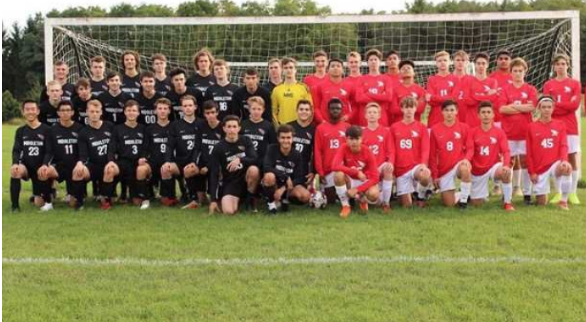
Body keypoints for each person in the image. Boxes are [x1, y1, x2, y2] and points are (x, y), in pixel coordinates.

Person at [542, 53, 582, 205]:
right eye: (558, 64)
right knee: (555, 158)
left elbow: (574, 105)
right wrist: (563, 106)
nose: (560, 66)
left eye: (563, 63)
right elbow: (547, 105)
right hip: (552, 126)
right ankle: (559, 192)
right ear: (554, 66)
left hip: (570, 126)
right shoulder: (548, 85)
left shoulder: (574, 84)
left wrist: (556, 106)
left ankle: (572, 193)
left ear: (568, 65)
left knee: (571, 157)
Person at [498, 57, 538, 204]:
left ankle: (527, 194)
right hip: (508, 133)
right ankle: (506, 195)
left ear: (525, 72)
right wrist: (522, 107)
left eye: (520, 70)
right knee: (508, 163)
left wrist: (513, 106)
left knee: (526, 161)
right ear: (511, 72)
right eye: (515, 70)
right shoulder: (505, 89)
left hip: (525, 132)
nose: (517, 73)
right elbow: (502, 109)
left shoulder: (530, 89)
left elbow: (532, 107)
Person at [102, 100, 150, 210]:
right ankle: (107, 200)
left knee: (136, 202)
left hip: (137, 164)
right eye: (129, 110)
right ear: (124, 112)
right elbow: (111, 148)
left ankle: (144, 198)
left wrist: (143, 157)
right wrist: (110, 161)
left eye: (134, 110)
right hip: (123, 163)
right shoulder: (117, 129)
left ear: (138, 113)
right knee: (109, 169)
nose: (131, 113)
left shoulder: (143, 129)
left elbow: (146, 148)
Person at [526, 96, 573, 210]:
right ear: (539, 109)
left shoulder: (560, 125)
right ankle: (541, 194)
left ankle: (563, 201)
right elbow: (529, 152)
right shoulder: (531, 127)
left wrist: (563, 161)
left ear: (553, 109)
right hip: (539, 168)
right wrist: (532, 172)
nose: (546, 110)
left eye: (549, 107)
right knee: (541, 203)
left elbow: (563, 145)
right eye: (544, 107)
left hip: (555, 164)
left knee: (567, 168)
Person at [208, 115, 260, 215]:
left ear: (239, 128)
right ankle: (238, 201)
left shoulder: (246, 140)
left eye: (234, 126)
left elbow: (254, 159)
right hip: (231, 183)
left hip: (246, 180)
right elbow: (214, 174)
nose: (232, 130)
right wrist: (213, 200)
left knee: (254, 170)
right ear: (224, 128)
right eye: (229, 127)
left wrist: (240, 159)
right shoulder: (218, 147)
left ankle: (249, 201)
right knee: (228, 212)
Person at [161, 95, 205, 209]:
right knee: (166, 169)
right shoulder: (175, 125)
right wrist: (167, 161)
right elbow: (169, 146)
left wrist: (195, 161)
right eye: (185, 106)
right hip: (181, 161)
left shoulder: (202, 124)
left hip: (198, 162)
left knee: (202, 199)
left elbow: (200, 147)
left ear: (195, 107)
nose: (188, 108)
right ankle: (171, 198)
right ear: (181, 108)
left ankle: (194, 199)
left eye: (190, 105)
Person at [468, 101, 514, 211]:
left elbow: (506, 151)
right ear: (478, 115)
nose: (486, 115)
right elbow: (470, 150)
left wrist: (506, 165)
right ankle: (475, 195)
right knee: (476, 204)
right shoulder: (472, 132)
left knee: (505, 172)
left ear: (493, 114)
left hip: (494, 167)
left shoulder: (499, 132)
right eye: (483, 112)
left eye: (489, 112)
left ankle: (507, 202)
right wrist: (466, 161)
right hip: (477, 170)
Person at [39, 101, 84, 208]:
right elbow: (49, 151)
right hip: (59, 166)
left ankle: (77, 198)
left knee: (73, 204)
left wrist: (80, 163)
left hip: (74, 167)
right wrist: (45, 164)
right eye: (62, 110)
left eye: (68, 110)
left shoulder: (80, 128)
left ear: (72, 112)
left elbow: (83, 151)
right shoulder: (52, 130)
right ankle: (48, 202)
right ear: (58, 113)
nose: (65, 113)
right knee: (45, 172)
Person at [71, 100, 115, 210]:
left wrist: (111, 160)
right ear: (87, 112)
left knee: (110, 169)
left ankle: (106, 200)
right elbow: (83, 153)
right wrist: (80, 163)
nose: (94, 114)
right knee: (77, 172)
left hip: (108, 163)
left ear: (101, 112)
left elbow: (114, 147)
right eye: (92, 111)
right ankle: (80, 202)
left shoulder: (110, 126)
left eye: (97, 111)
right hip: (93, 165)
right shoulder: (83, 132)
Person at [429, 100, 472, 209]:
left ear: (457, 111)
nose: (449, 113)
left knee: (465, 169)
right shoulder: (435, 129)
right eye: (446, 110)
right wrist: (435, 175)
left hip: (459, 164)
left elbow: (470, 148)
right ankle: (462, 194)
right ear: (442, 112)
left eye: (452, 110)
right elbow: (432, 155)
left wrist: (466, 159)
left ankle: (463, 201)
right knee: (449, 204)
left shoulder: (464, 128)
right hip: (444, 169)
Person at [10, 100, 53, 212]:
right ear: (23, 112)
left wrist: (44, 165)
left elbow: (49, 151)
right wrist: (15, 163)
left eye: (33, 109)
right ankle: (15, 207)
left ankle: (49, 193)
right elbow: (16, 150)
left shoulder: (47, 130)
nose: (30, 112)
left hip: (40, 168)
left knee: (39, 203)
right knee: (15, 172)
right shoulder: (20, 131)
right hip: (26, 166)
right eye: (27, 109)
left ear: (38, 111)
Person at [389, 97, 432, 208]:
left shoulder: (422, 127)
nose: (409, 110)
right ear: (402, 109)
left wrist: (423, 164)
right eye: (406, 107)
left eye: (411, 107)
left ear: (415, 109)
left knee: (425, 174)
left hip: (415, 167)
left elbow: (425, 149)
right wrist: (392, 167)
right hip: (401, 170)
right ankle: (410, 192)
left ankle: (420, 197)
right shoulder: (394, 127)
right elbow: (391, 150)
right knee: (407, 206)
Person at [333, 126, 380, 218]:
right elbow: (334, 166)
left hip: (364, 180)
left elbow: (375, 178)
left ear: (361, 139)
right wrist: (356, 172)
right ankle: (346, 205)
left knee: (374, 194)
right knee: (338, 175)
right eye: (351, 139)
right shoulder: (343, 147)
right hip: (350, 179)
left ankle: (362, 200)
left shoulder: (367, 151)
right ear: (346, 139)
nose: (354, 142)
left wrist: (357, 189)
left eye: (357, 139)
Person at [262, 124, 311, 214]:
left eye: (288, 137)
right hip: (275, 183)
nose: (286, 140)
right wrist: (285, 176)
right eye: (283, 138)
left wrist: (284, 188)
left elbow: (300, 177)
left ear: (292, 139)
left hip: (288, 186)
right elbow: (266, 167)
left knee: (305, 196)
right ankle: (271, 203)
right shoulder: (272, 149)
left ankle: (284, 199)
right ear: (278, 139)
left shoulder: (296, 154)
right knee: (269, 176)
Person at [314, 98, 351, 202]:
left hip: (344, 170)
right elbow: (317, 151)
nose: (335, 111)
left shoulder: (347, 127)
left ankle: (348, 200)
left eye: (338, 109)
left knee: (347, 194)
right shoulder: (320, 128)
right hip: (328, 170)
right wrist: (320, 172)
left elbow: (352, 151)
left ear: (342, 111)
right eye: (332, 108)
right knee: (330, 200)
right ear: (328, 110)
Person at [361, 102, 394, 212]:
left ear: (379, 115)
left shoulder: (385, 131)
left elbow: (391, 151)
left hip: (380, 167)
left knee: (388, 168)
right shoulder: (361, 133)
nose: (372, 114)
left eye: (374, 112)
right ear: (365, 115)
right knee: (373, 197)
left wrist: (391, 162)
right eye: (369, 112)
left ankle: (386, 203)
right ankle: (363, 198)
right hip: (367, 170)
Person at [193, 101, 224, 205]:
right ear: (204, 114)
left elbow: (223, 153)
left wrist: (209, 166)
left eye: (212, 112)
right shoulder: (201, 126)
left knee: (215, 199)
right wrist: (195, 163)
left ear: (217, 112)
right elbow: (197, 147)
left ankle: (215, 194)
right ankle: (193, 197)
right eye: (207, 113)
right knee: (190, 170)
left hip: (218, 164)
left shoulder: (223, 127)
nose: (210, 115)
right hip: (203, 161)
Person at [144, 98, 174, 205]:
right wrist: (144, 158)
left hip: (169, 162)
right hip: (154, 161)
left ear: (169, 111)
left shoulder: (174, 126)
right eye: (160, 108)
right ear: (155, 111)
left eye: (165, 108)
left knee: (165, 201)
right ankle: (146, 195)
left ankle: (168, 195)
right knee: (142, 169)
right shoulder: (149, 129)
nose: (162, 111)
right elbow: (145, 147)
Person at [354, 49, 393, 126]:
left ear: (380, 62)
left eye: (375, 59)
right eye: (371, 60)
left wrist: (368, 94)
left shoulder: (386, 79)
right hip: (365, 119)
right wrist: (381, 96)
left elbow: (388, 97)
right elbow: (358, 98)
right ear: (367, 63)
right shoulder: (361, 79)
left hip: (381, 118)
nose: (373, 61)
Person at [462, 52, 499, 128]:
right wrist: (486, 96)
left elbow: (491, 100)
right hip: (471, 122)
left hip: (487, 124)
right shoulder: (468, 80)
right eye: (478, 63)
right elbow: (467, 100)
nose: (481, 66)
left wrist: (474, 96)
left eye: (483, 63)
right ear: (475, 65)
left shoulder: (493, 81)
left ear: (487, 65)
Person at [271, 57, 312, 125]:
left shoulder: (303, 88)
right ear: (282, 70)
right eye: (286, 68)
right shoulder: (276, 89)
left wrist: (304, 125)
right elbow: (273, 111)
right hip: (283, 127)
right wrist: (278, 126)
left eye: (291, 67)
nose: (288, 70)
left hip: (300, 126)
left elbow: (310, 109)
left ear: (295, 70)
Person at [312, 58, 354, 124]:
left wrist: (348, 116)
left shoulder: (350, 86)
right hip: (325, 124)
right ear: (328, 70)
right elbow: (316, 108)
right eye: (332, 66)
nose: (335, 68)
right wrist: (322, 121)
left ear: (343, 70)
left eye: (338, 66)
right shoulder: (320, 86)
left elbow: (355, 106)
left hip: (344, 124)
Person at [288, 100, 317, 188]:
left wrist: (313, 171)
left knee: (302, 197)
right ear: (297, 111)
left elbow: (316, 152)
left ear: (311, 112)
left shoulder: (314, 130)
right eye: (301, 109)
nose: (304, 112)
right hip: (287, 165)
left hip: (303, 168)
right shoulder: (289, 126)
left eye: (306, 110)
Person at [426, 51, 458, 128]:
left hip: (451, 118)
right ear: (436, 63)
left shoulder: (455, 79)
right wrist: (447, 98)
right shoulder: (431, 79)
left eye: (445, 60)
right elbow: (430, 102)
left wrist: (434, 97)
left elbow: (454, 99)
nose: (442, 63)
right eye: (439, 61)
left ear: (450, 62)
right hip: (435, 118)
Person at [390, 60, 427, 124]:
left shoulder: (421, 90)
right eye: (403, 68)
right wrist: (411, 109)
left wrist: (403, 108)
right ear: (399, 74)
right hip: (398, 126)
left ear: (414, 72)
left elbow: (420, 109)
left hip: (415, 126)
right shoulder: (394, 90)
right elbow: (393, 109)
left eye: (408, 68)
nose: (406, 69)